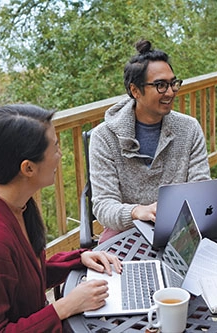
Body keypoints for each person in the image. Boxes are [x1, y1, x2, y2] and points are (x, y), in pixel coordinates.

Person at [0, 104, 122, 332]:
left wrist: (78, 259)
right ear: (28, 168)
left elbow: (23, 281)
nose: (60, 155)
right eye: (54, 147)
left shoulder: (18, 206)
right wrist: (64, 306)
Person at [89, 39, 210, 242]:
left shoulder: (189, 129)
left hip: (180, 231)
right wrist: (137, 212)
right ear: (135, 90)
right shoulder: (104, 137)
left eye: (173, 83)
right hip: (125, 233)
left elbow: (201, 189)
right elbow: (103, 207)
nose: (170, 92)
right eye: (160, 86)